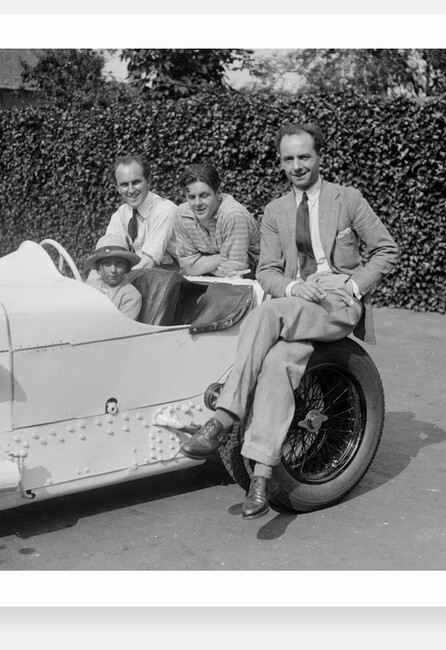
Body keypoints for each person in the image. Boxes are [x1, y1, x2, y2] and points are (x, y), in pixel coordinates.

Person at [179, 122, 399, 519]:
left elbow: (386, 249)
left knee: (266, 312)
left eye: (304, 157)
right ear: (280, 162)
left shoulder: (347, 198)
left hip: (335, 301)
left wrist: (352, 286)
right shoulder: (275, 211)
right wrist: (294, 287)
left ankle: (224, 416)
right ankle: (262, 478)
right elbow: (266, 271)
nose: (297, 166)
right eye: (288, 159)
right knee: (280, 363)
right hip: (297, 300)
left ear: (319, 157)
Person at [171, 162, 260, 278]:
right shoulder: (182, 214)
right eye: (192, 197)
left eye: (203, 195)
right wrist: (222, 258)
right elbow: (187, 266)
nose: (197, 203)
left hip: (254, 279)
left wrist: (199, 266)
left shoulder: (233, 215)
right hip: (210, 279)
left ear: (218, 193)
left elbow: (235, 272)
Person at [104, 154, 177, 270]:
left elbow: (147, 264)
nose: (131, 190)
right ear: (117, 188)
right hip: (143, 276)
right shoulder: (120, 215)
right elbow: (106, 256)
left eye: (136, 182)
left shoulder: (165, 209)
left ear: (149, 181)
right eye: (124, 185)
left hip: (177, 277)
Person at [85, 234, 143, 320]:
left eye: (119, 264)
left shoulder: (131, 296)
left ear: (126, 267)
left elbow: (121, 327)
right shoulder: (93, 286)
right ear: (98, 268)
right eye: (107, 264)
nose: (113, 270)